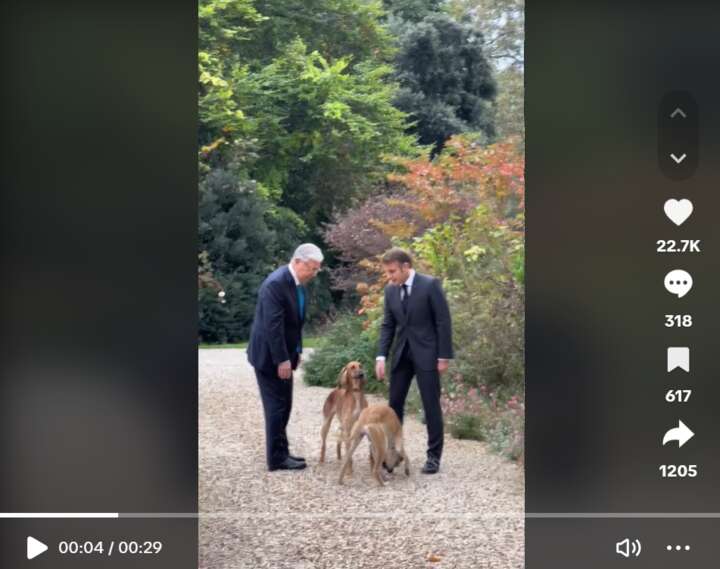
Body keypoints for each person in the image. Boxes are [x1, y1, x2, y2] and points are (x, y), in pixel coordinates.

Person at [375, 248, 453, 474]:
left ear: (406, 266)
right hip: (402, 355)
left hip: (428, 354)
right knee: (394, 406)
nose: (390, 277)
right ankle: (392, 454)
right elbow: (388, 325)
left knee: (430, 406)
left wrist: (443, 356)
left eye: (392, 272)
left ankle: (433, 457)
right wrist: (381, 355)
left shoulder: (430, 285)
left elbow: (443, 322)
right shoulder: (390, 291)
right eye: (388, 272)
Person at [247, 244, 323, 471]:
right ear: (298, 261)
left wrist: (296, 351)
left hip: (285, 355)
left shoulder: (298, 285)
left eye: (317, 269)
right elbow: (273, 326)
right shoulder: (276, 284)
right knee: (276, 407)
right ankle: (276, 458)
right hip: (269, 357)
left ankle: (282, 452)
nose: (314, 273)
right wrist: (282, 359)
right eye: (312, 268)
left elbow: (294, 325)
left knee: (285, 405)